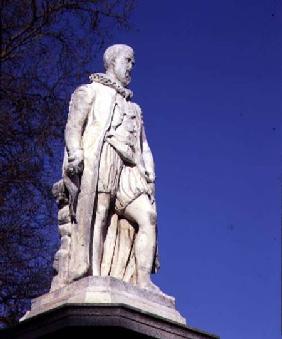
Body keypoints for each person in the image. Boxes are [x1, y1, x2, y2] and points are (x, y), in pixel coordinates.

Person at [53, 44, 159, 291]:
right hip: (103, 157)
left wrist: (149, 173)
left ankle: (144, 281)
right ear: (112, 61)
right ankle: (94, 272)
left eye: (133, 62)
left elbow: (144, 145)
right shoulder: (90, 91)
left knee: (148, 218)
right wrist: (76, 154)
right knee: (99, 214)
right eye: (128, 60)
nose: (131, 66)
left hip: (130, 169)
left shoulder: (134, 108)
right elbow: (73, 128)